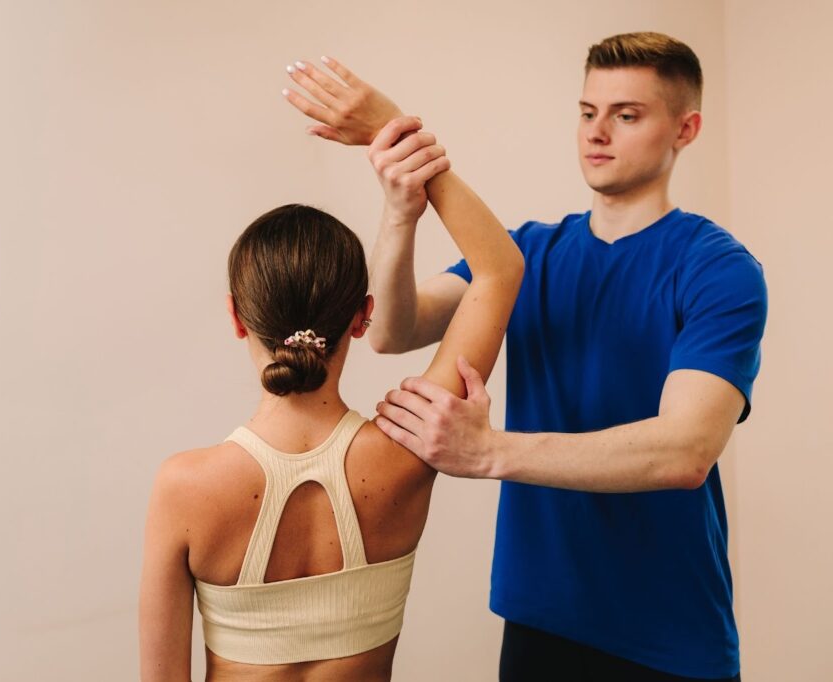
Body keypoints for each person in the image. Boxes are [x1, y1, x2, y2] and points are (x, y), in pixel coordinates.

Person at [283, 33, 766, 681]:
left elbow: (684, 451)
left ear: (686, 128)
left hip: (668, 633)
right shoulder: (529, 254)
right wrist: (401, 215)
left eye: (626, 115)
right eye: (588, 112)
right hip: (540, 616)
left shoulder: (719, 269)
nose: (597, 133)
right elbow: (394, 330)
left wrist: (489, 451)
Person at [138, 115, 524, 681]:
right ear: (362, 317)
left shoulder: (185, 487)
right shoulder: (408, 451)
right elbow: (500, 267)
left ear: (237, 318)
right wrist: (394, 138)